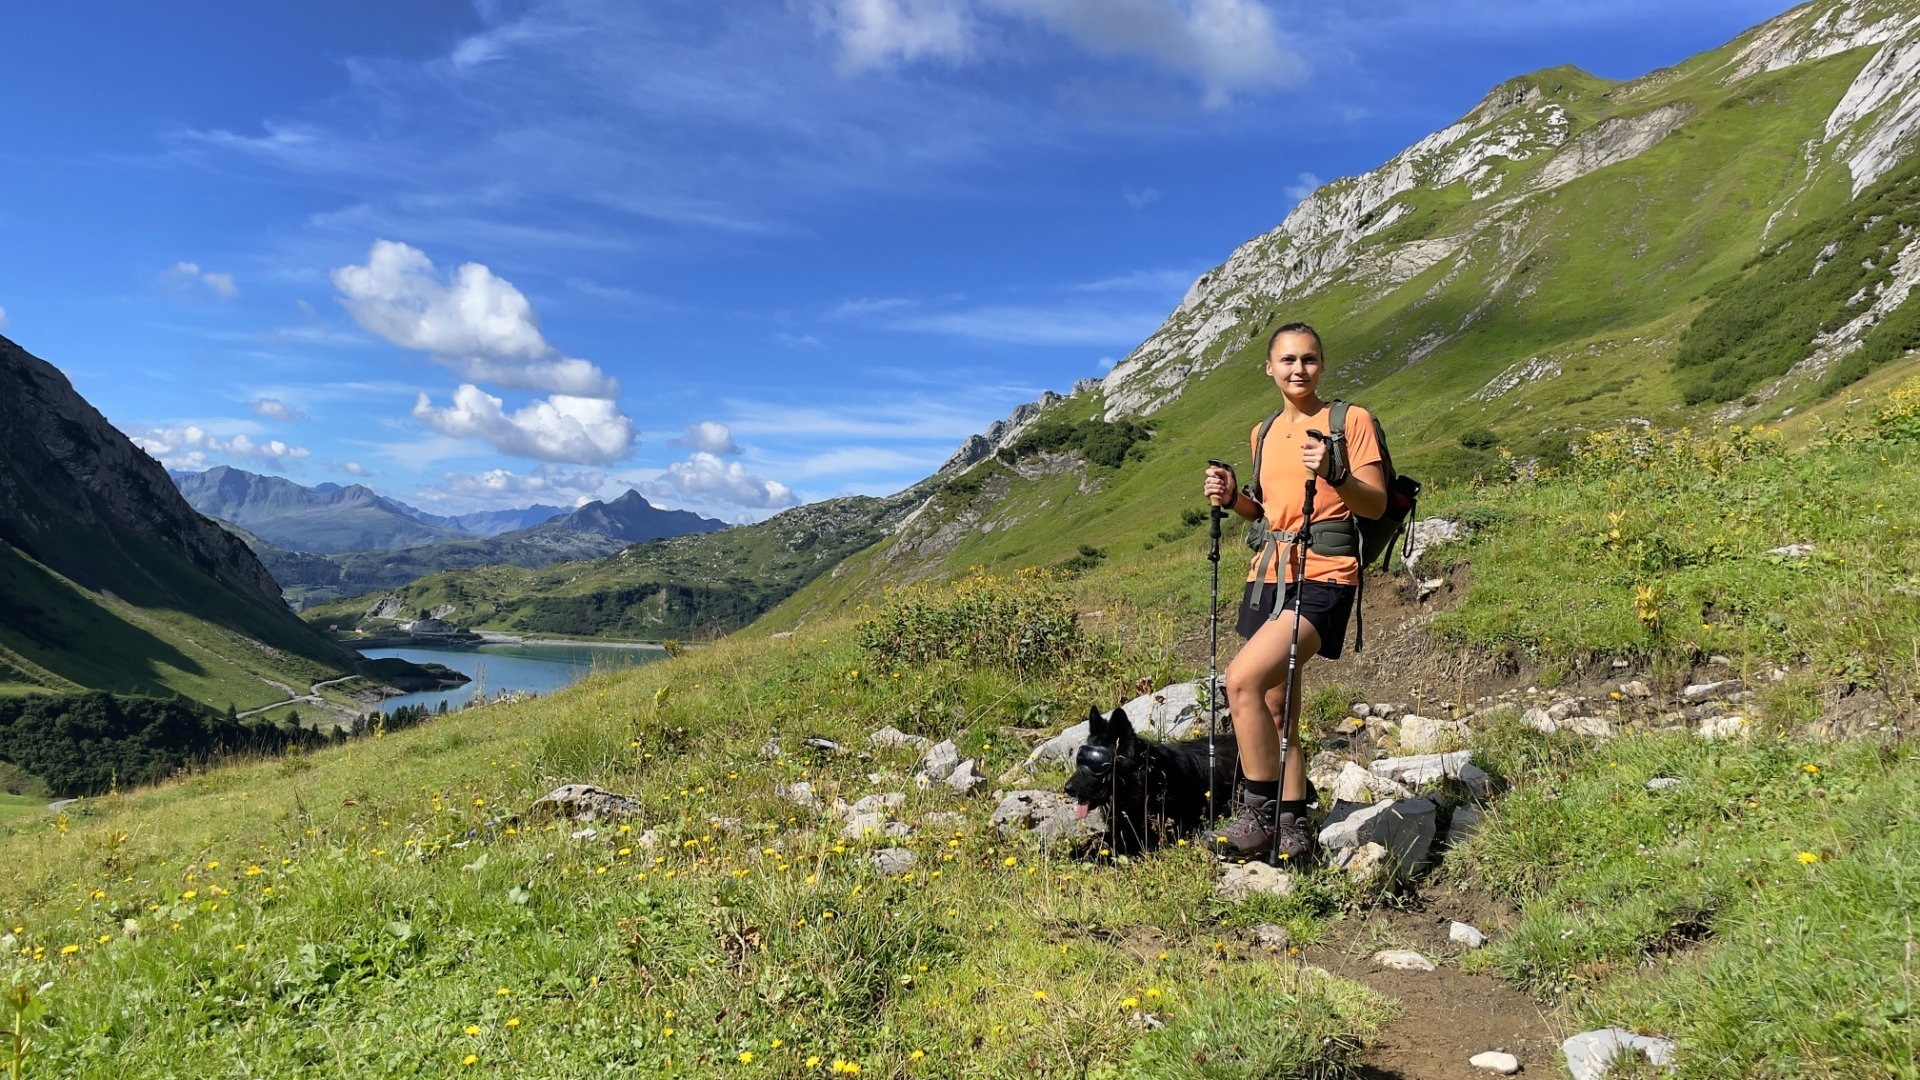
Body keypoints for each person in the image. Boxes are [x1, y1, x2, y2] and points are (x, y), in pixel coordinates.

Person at [1202, 323, 1387, 860]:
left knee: (1240, 681)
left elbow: (1372, 504)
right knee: (1278, 710)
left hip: (1326, 574)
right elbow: (1267, 514)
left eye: (1308, 359)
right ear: (1269, 368)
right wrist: (1235, 499)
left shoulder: (1348, 421)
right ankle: (1292, 828)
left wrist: (1334, 472)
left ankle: (1256, 813)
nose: (1298, 369)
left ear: (1322, 365)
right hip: (1268, 575)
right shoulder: (1263, 433)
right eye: (1287, 360)